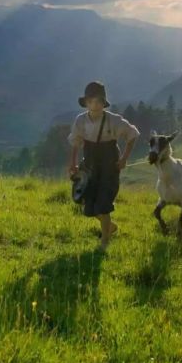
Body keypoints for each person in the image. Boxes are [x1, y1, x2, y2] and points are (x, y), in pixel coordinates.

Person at [67, 81, 140, 251]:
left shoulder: (113, 120)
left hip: (108, 167)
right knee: (88, 202)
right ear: (86, 103)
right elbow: (76, 142)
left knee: (103, 203)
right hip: (90, 165)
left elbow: (132, 135)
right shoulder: (80, 120)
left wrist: (124, 159)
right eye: (91, 101)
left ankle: (105, 241)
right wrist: (73, 164)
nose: (95, 105)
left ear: (103, 103)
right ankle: (110, 226)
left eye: (98, 101)